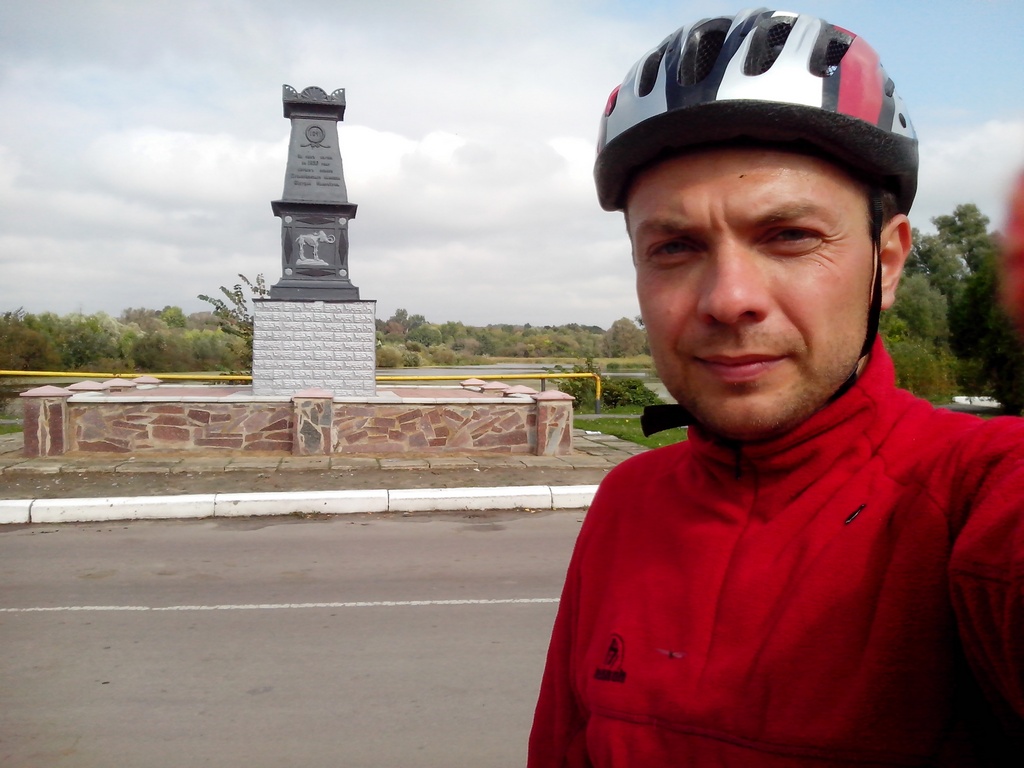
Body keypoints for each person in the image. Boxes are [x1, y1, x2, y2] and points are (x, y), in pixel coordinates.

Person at [528, 8, 1024, 767]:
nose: (729, 299)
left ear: (887, 264)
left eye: (790, 236)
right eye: (675, 246)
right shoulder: (627, 504)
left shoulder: (975, 493)